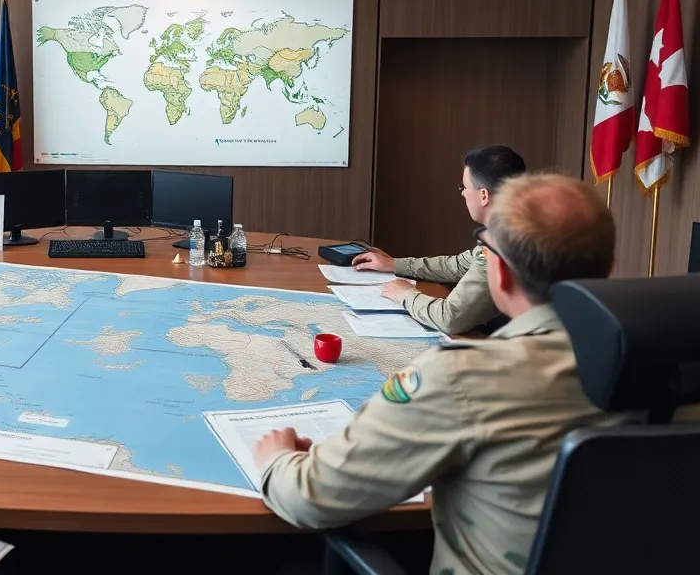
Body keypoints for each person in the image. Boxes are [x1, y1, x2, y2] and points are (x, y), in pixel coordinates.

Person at [253, 173, 628, 575]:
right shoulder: (678, 366)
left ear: (498, 273)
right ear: (609, 266)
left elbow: (311, 499)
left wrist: (277, 461)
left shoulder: (463, 377)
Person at [352, 145, 526, 334]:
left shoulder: (503, 246)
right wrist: (394, 264)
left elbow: (449, 319)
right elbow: (459, 265)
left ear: (484, 195)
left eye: (465, 187)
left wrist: (406, 295)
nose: (462, 193)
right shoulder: (520, 226)